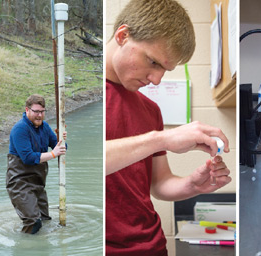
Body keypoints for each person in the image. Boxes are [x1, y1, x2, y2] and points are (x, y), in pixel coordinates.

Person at [105, 0, 232, 254]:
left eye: (165, 70)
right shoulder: (85, 97)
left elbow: (159, 183)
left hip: (152, 246)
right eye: (153, 62)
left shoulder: (151, 111)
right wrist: (163, 139)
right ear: (123, 35)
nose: (156, 79)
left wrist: (193, 185)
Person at [7, 94, 67, 234]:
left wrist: (62, 140)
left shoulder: (45, 127)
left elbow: (59, 148)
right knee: (34, 222)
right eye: (36, 112)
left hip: (38, 183)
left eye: (42, 112)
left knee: (45, 220)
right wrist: (53, 154)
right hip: (19, 184)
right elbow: (28, 158)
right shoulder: (20, 129)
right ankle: (26, 248)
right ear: (27, 110)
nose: (39, 115)